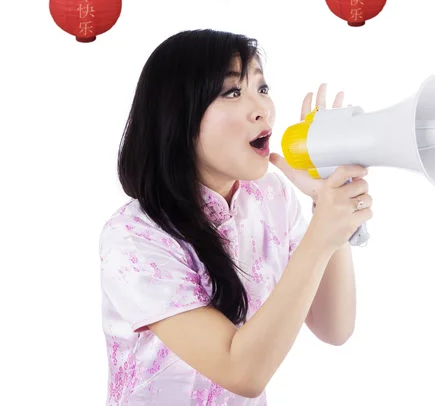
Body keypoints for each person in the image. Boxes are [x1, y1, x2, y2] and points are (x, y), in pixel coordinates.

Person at [99, 29, 374, 405]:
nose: (262, 108)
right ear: (179, 116)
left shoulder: (272, 196)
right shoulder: (133, 237)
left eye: (262, 88)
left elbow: (334, 327)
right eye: (232, 92)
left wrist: (330, 209)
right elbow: (241, 372)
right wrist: (322, 234)